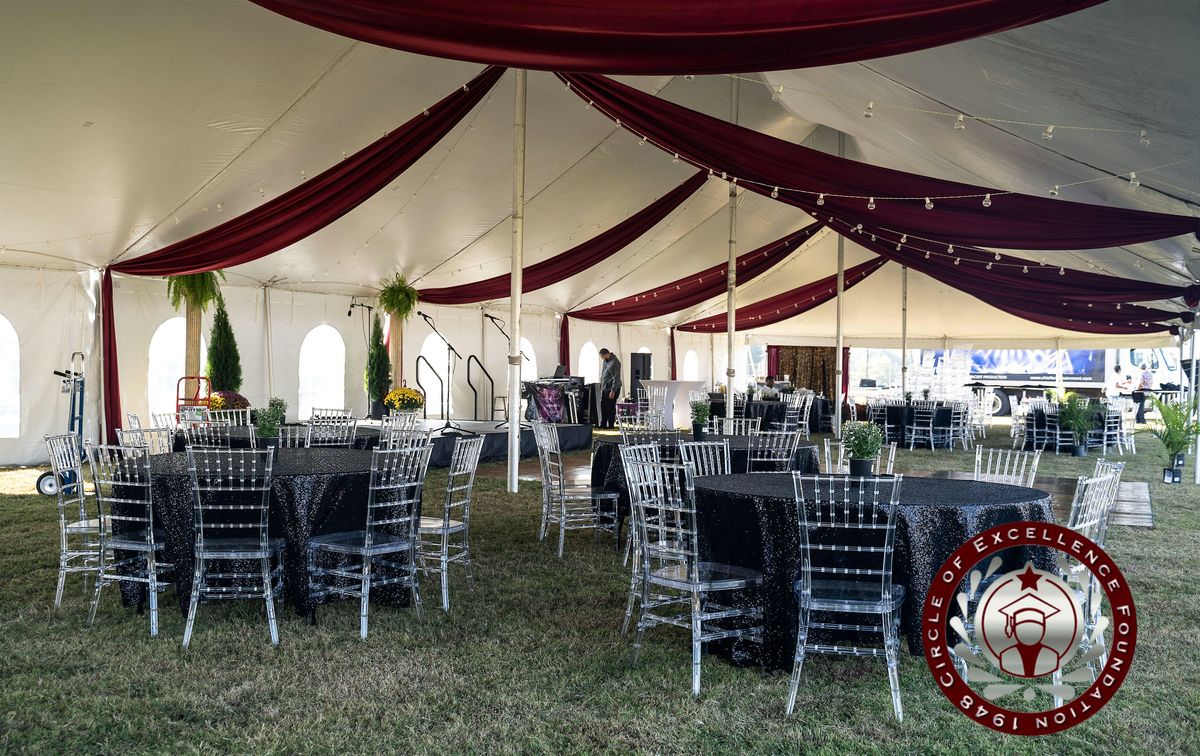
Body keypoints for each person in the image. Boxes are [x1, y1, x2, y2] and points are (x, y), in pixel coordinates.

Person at [598, 348, 622, 429]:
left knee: (610, 407)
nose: (602, 358)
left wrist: (613, 390)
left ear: (605, 354)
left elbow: (616, 378)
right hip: (605, 388)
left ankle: (611, 425)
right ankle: (603, 424)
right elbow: (604, 373)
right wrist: (601, 384)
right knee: (603, 406)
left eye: (602, 357)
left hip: (611, 388)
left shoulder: (615, 362)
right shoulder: (605, 361)